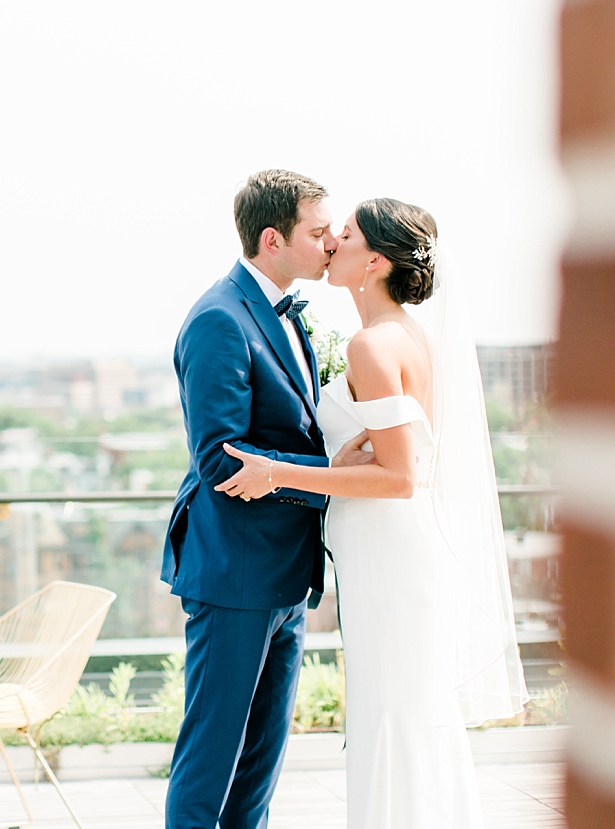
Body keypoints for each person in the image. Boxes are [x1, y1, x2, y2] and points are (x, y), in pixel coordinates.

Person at [217, 198, 529, 829]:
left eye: (348, 235)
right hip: (387, 557)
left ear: (376, 262)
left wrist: (274, 473)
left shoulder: (372, 345)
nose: (333, 240)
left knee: (393, 714)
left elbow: (400, 478)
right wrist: (347, 454)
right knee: (402, 715)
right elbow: (401, 453)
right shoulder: (405, 336)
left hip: (391, 560)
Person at [161, 170, 346, 829]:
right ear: (273, 239)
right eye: (318, 231)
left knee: (259, 771)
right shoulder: (219, 319)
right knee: (211, 761)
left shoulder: (289, 315)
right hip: (236, 572)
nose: (332, 242)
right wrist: (332, 471)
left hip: (286, 578)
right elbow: (221, 459)